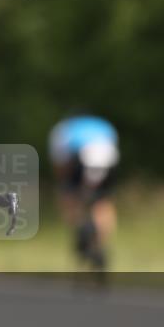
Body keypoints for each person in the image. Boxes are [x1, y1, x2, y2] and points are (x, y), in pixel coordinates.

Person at [48, 115, 120, 271]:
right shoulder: (103, 125)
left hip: (82, 159)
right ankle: (100, 244)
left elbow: (60, 163)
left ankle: (81, 232)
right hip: (108, 159)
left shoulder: (63, 130)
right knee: (103, 201)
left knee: (69, 196)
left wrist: (65, 187)